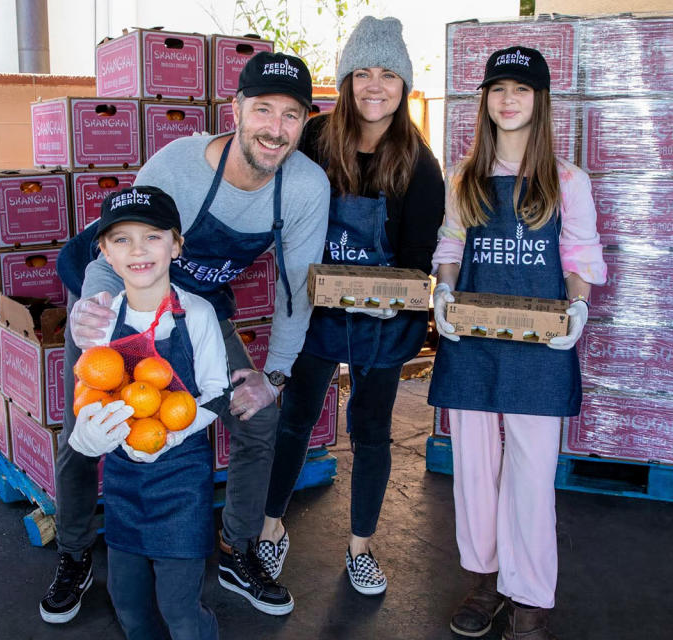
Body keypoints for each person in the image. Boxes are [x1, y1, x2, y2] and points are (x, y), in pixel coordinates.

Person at [40, 51, 331, 621]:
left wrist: (273, 377)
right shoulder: (179, 166)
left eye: (291, 115)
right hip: (114, 287)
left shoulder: (305, 186)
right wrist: (92, 315)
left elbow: (297, 288)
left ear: (304, 123)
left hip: (195, 302)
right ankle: (74, 552)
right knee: (88, 425)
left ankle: (237, 548)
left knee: (259, 415)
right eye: (263, 109)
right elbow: (129, 243)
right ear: (237, 109)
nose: (275, 128)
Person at [257, 16, 444, 595]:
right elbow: (278, 211)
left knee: (371, 430)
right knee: (295, 419)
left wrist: (397, 298)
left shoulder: (420, 164)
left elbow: (417, 262)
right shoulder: (314, 139)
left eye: (388, 74)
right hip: (315, 313)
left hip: (383, 324)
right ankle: (269, 530)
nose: (374, 85)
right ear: (345, 80)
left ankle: (361, 547)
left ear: (404, 85)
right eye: (362, 72)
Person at [427, 47, 607, 639]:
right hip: (473, 341)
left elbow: (579, 254)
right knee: (475, 468)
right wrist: (443, 297)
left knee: (531, 471)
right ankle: (483, 577)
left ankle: (529, 592)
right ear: (485, 100)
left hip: (539, 345)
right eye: (498, 88)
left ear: (540, 101)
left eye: (522, 89)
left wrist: (577, 306)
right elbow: (451, 248)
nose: (508, 99)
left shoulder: (567, 180)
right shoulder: (464, 176)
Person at [63, 186, 227, 639]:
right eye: (121, 240)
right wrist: (87, 437)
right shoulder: (99, 321)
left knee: (180, 609)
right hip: (123, 481)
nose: (138, 250)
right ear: (105, 255)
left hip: (181, 481)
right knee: (128, 604)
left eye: (152, 236)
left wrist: (170, 435)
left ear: (176, 245)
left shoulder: (197, 314)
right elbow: (88, 396)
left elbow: (217, 395)